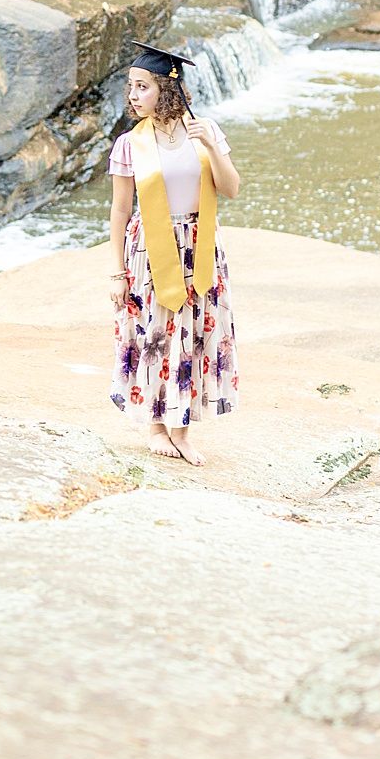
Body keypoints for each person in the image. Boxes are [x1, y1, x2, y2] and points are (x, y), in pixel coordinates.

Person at [105, 41, 242, 467]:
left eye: (141, 86)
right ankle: (155, 426)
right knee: (154, 334)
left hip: (199, 245)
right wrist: (116, 272)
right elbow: (120, 209)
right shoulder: (130, 144)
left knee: (192, 334)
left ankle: (181, 428)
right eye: (130, 86)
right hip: (150, 247)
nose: (132, 94)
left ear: (167, 88)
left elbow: (231, 189)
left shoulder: (205, 130)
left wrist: (213, 147)